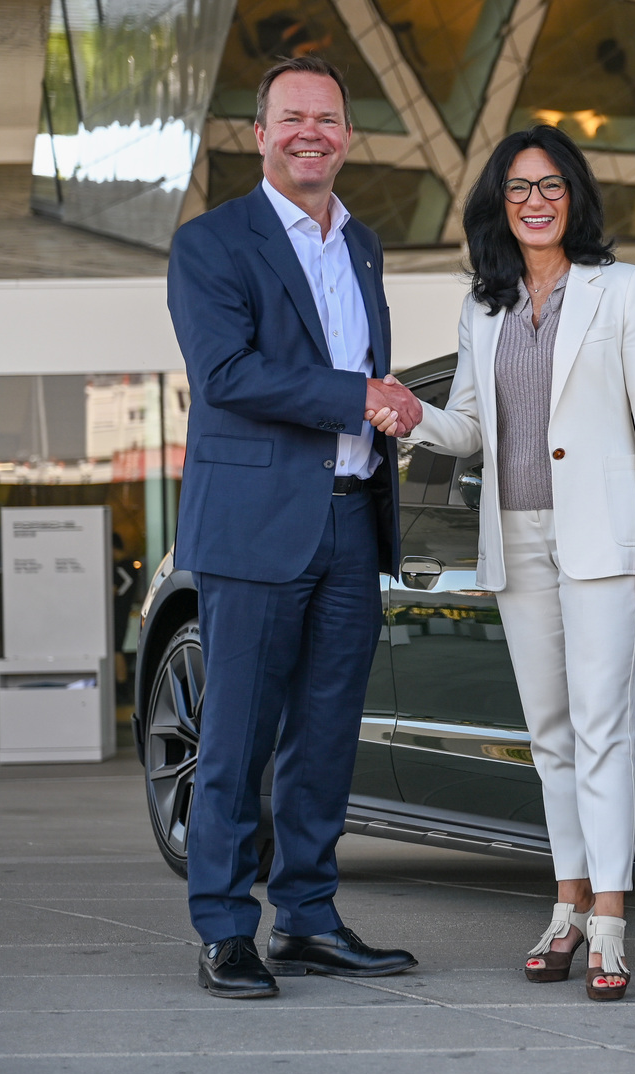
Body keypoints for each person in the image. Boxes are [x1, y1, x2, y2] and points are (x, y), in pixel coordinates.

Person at [370, 124, 635, 1002]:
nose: (535, 203)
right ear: (497, 207)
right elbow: (469, 427)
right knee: (549, 737)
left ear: (572, 196)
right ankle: (567, 905)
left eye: (549, 186)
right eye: (517, 190)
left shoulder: (623, 291)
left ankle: (612, 923)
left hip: (605, 543)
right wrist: (409, 413)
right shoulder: (486, 305)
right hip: (518, 538)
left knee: (602, 729)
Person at [166, 54, 425, 999]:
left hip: (354, 521)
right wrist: (359, 396)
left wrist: (381, 407)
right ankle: (226, 928)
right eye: (292, 118)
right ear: (260, 134)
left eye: (327, 118)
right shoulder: (211, 244)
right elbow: (226, 373)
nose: (311, 131)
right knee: (236, 738)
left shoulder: (364, 244)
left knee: (325, 738)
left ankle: (308, 919)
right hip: (257, 527)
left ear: (346, 136)